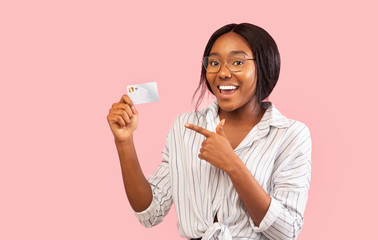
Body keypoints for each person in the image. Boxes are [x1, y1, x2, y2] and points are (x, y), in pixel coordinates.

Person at [107, 23, 312, 240]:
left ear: (263, 66)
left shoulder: (290, 135)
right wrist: (124, 141)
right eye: (214, 62)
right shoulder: (184, 126)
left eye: (237, 62)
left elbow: (287, 231)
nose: (223, 72)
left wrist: (232, 164)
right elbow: (151, 213)